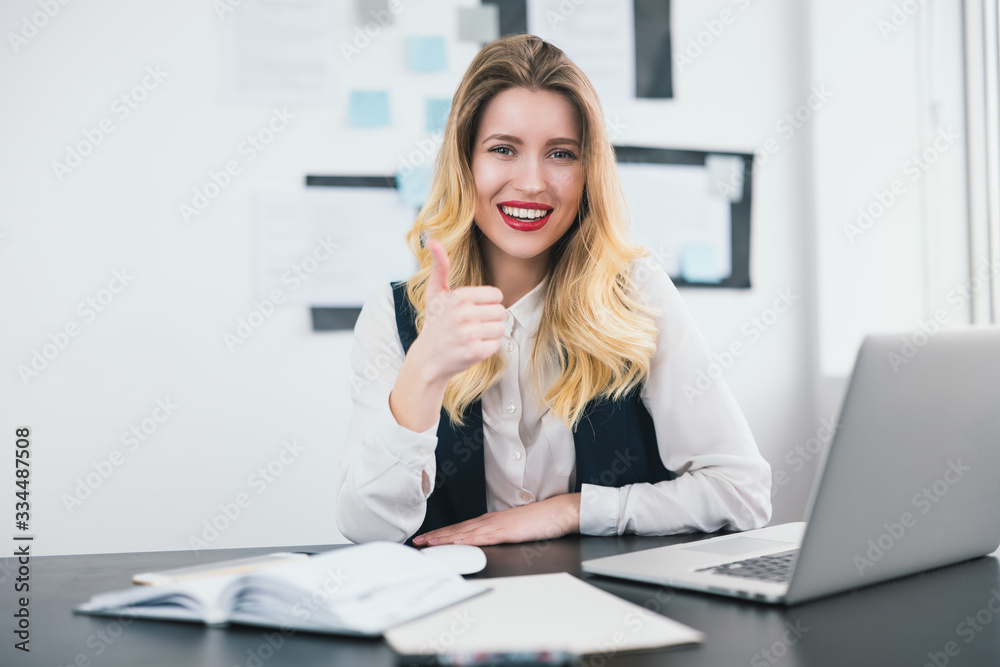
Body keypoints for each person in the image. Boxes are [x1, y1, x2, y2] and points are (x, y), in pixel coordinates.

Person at [336, 34, 771, 546]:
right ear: (464, 162)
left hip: (614, 610)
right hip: (458, 615)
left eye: (561, 154)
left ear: (588, 173)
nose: (532, 182)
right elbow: (368, 530)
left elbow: (742, 493)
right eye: (503, 149)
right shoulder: (393, 316)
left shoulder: (638, 294)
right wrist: (424, 372)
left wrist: (574, 510)